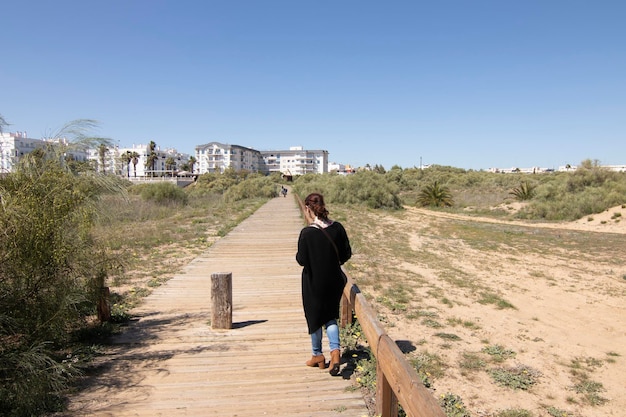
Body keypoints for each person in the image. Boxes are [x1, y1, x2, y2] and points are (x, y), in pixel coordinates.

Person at [296, 192, 351, 376]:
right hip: (334, 280)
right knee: (330, 316)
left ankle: (317, 355)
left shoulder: (307, 232)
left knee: (314, 317)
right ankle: (335, 353)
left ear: (308, 209)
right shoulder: (338, 228)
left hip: (313, 281)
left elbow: (301, 260)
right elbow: (346, 254)